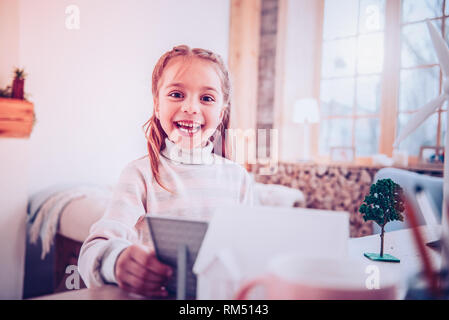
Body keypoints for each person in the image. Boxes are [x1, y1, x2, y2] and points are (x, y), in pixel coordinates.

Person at [78, 45, 255, 298]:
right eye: (176, 94)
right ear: (157, 105)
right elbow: (93, 250)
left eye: (207, 98)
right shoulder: (140, 175)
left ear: (222, 111)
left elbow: (250, 252)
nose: (191, 108)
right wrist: (117, 263)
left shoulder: (239, 178)